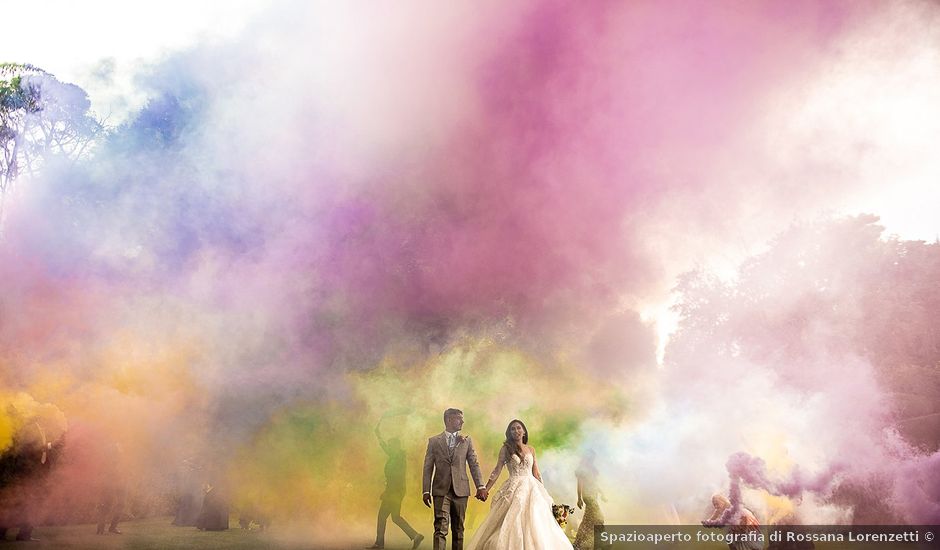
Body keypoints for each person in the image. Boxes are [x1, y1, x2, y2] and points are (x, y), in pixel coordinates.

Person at [465, 420, 573, 549]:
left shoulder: (531, 449)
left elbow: (536, 473)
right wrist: (486, 489)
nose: (516, 431)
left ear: (524, 432)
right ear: (509, 433)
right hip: (514, 486)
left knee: (535, 518)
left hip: (532, 487)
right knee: (513, 517)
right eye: (512, 429)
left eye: (518, 428)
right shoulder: (506, 449)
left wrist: (544, 493)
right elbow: (497, 470)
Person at [422, 408, 486, 550]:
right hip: (440, 490)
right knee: (440, 527)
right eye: (459, 418)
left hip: (461, 490)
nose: (462, 421)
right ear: (449, 420)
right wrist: (425, 490)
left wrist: (480, 486)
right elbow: (428, 467)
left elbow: (474, 464)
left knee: (458, 529)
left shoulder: (467, 441)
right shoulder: (433, 441)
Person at [368, 418, 424, 549]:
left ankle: (379, 543)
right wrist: (378, 436)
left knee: (383, 516)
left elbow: (395, 478)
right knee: (395, 517)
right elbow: (385, 448)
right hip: (397, 491)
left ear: (396, 446)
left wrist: (386, 492)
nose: (389, 447)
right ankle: (415, 536)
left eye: (390, 445)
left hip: (394, 492)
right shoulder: (396, 456)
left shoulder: (397, 458)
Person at [573, 450, 606, 549]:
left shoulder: (592, 469)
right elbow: (580, 484)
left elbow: (595, 483)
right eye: (591, 457)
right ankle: (598, 542)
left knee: (589, 519)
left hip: (593, 494)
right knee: (599, 517)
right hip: (588, 495)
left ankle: (583, 542)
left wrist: (602, 493)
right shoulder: (582, 469)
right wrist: (579, 498)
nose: (593, 459)